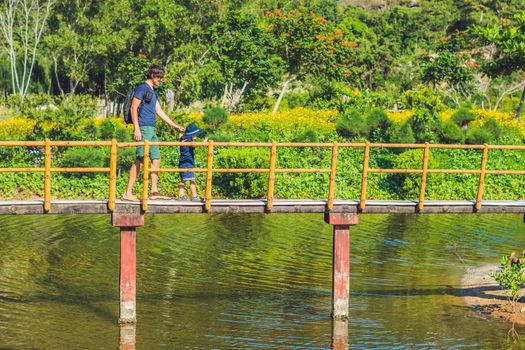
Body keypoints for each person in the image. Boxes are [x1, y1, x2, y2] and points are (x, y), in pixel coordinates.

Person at [122, 64, 184, 202]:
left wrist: (174, 126)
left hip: (152, 129)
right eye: (159, 77)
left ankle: (154, 192)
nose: (160, 80)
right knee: (140, 160)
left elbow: (159, 111)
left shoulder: (153, 91)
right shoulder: (142, 87)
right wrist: (136, 129)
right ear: (152, 75)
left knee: (156, 159)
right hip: (143, 128)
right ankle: (127, 192)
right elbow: (133, 107)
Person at [178, 123, 207, 201]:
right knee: (192, 180)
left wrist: (180, 132)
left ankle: (181, 196)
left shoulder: (182, 140)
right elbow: (194, 145)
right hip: (187, 164)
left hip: (182, 163)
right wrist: (203, 143)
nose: (196, 137)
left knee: (183, 180)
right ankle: (194, 196)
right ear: (192, 135)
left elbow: (180, 136)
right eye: (196, 135)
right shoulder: (190, 141)